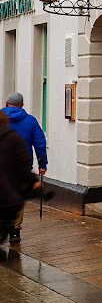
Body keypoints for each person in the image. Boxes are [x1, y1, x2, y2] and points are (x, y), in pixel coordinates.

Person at [3, 92, 47, 246]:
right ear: (22, 105)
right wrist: (42, 165)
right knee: (18, 197)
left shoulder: (1, 119)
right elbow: (40, 143)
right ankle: (15, 229)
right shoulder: (30, 121)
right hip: (22, 168)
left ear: (7, 104)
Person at [0, 109, 34, 247]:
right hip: (13, 180)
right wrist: (33, 180)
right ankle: (15, 230)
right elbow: (23, 162)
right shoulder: (16, 136)